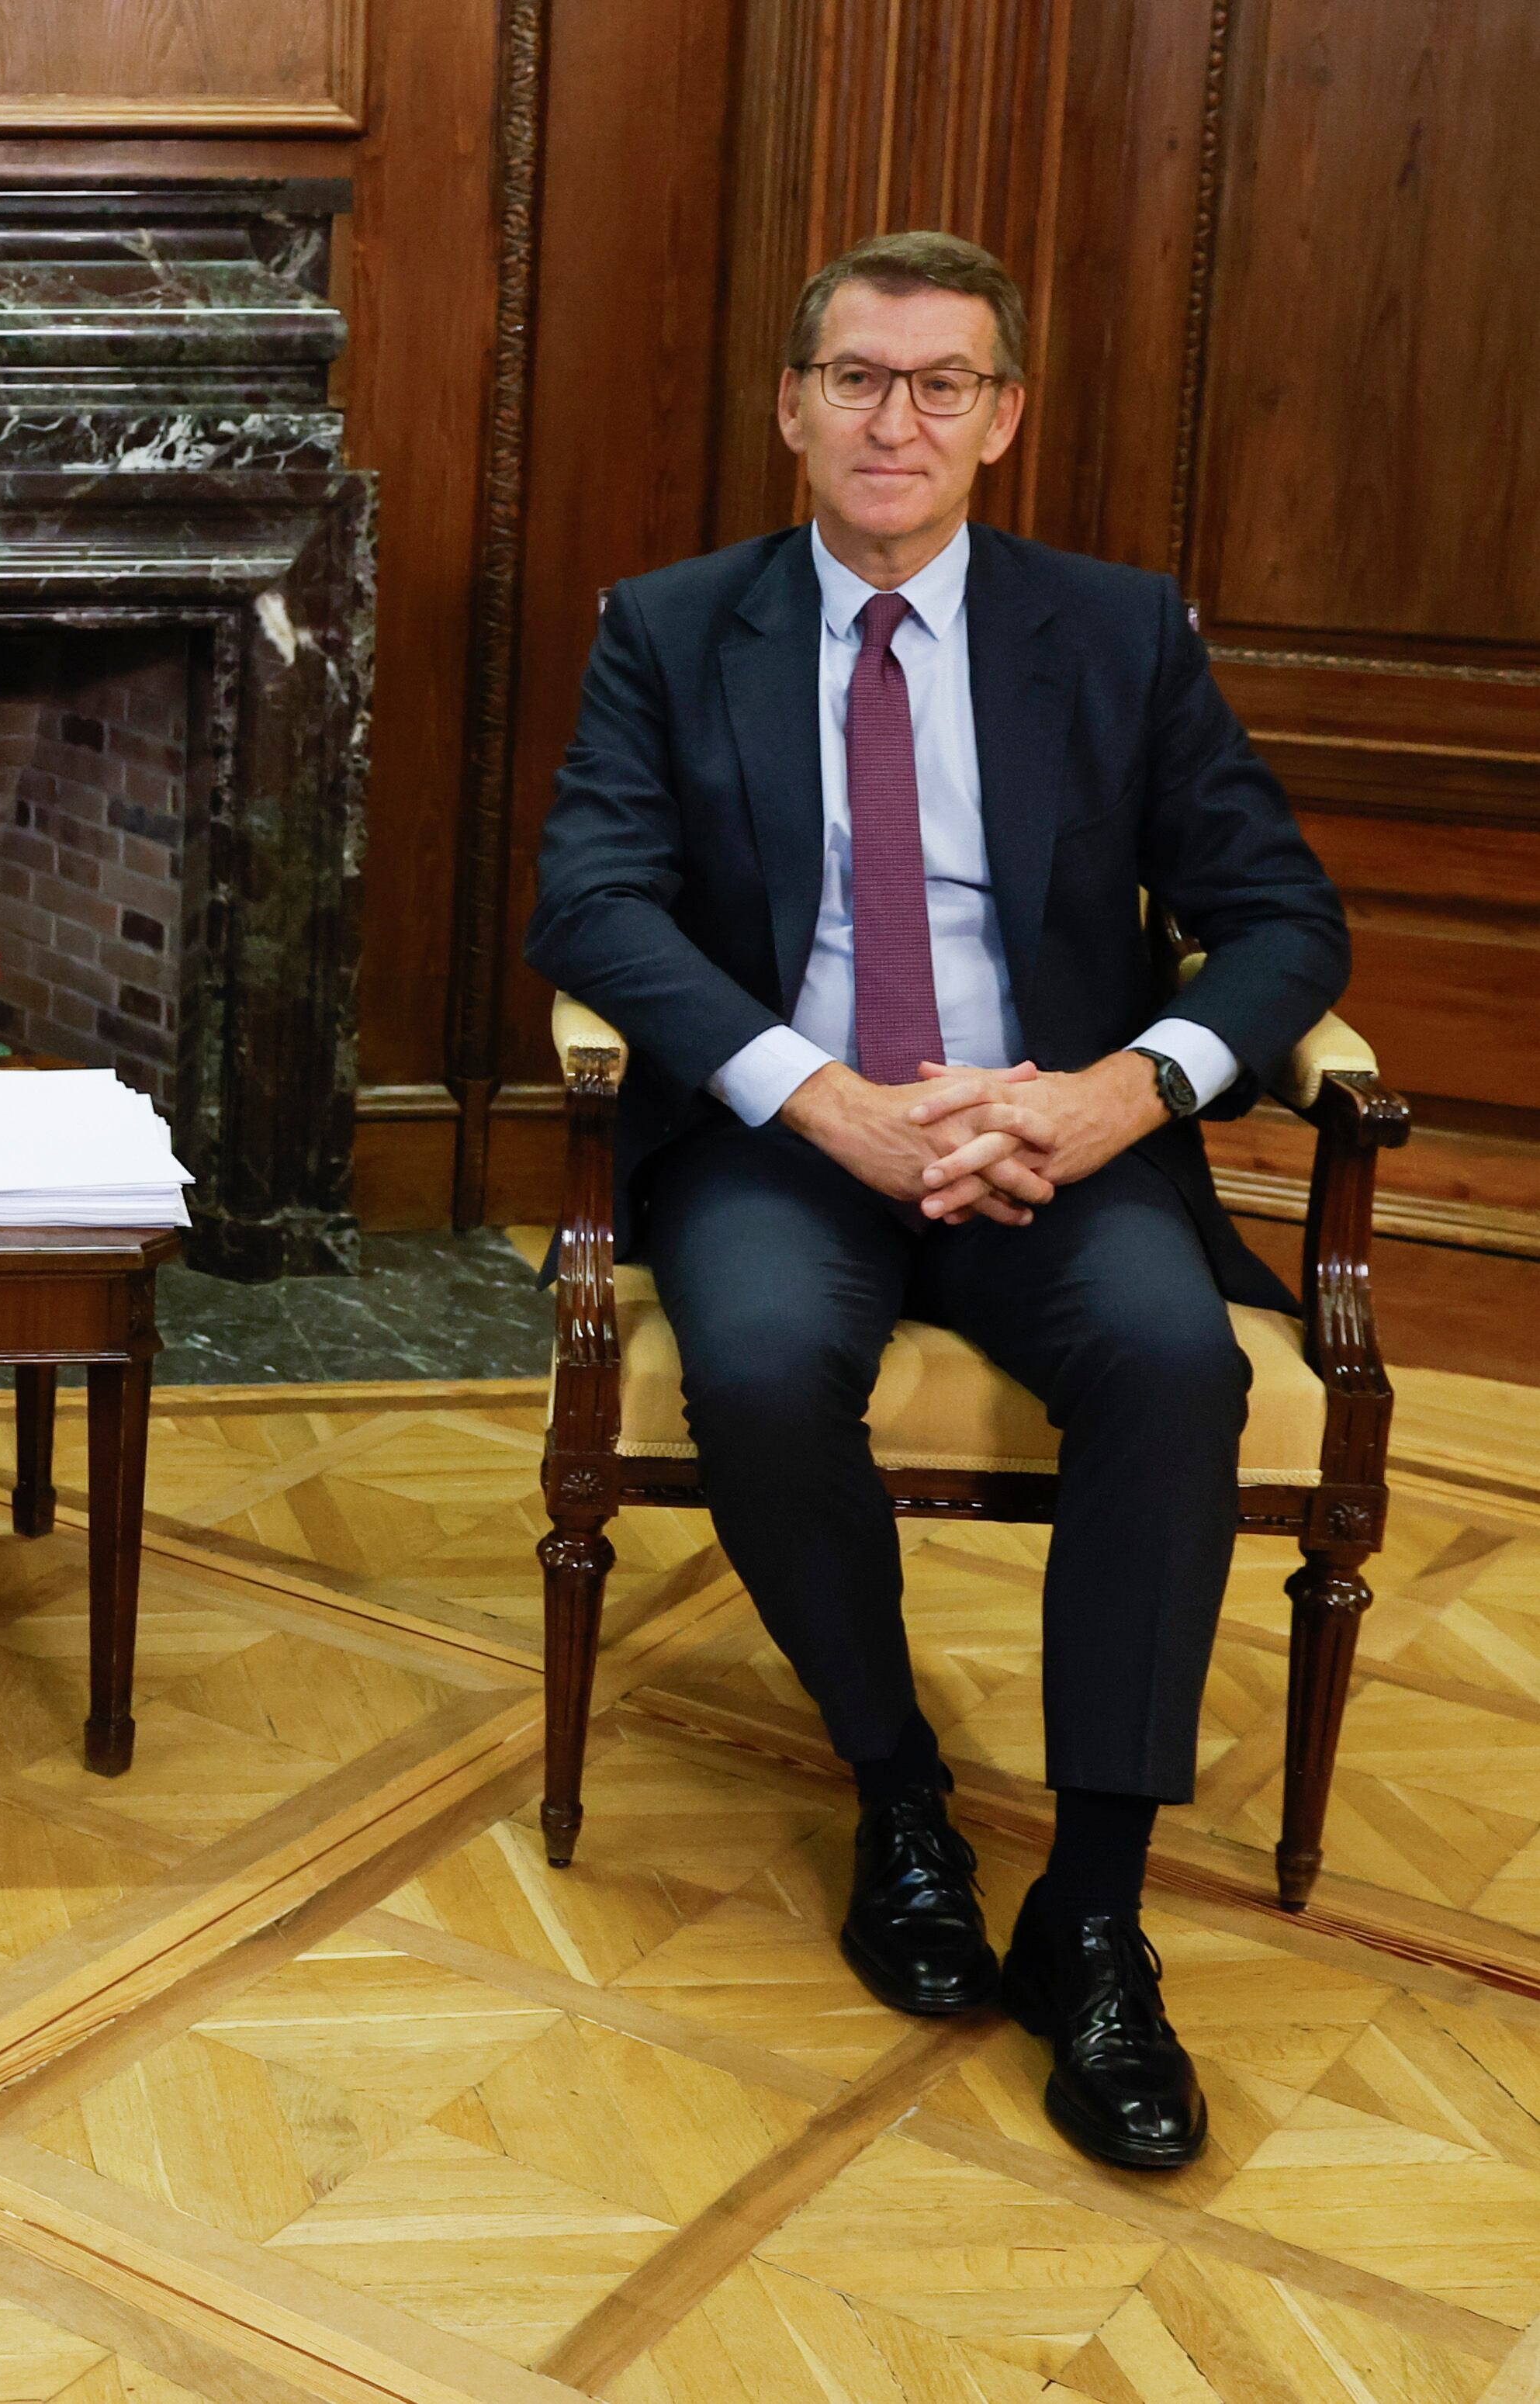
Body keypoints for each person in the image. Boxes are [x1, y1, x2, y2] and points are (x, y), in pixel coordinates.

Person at [524, 230, 1347, 2172]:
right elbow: (592, 903)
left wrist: (1116, 1092)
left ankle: (1094, 1908)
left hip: (1049, 1137)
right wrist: (820, 1100)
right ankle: (895, 1790)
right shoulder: (669, 622)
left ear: (1002, 421)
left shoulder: (1119, 631)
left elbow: (1282, 917)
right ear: (792, 406)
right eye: (859, 378)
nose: (896, 419)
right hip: (793, 1148)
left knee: (1174, 1365)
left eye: (942, 383)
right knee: (754, 1363)